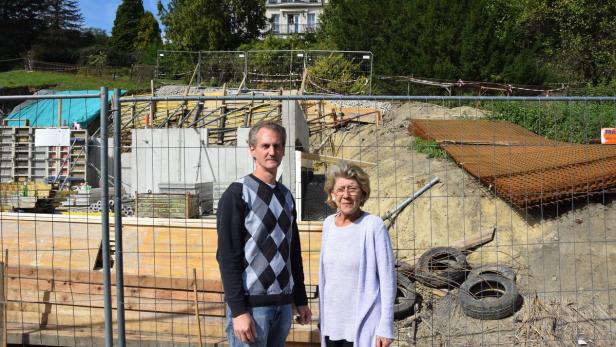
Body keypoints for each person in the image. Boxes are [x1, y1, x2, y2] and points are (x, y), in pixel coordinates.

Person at [216, 120, 312, 347]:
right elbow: (227, 257)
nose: (272, 152)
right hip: (251, 308)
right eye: (265, 146)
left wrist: (300, 298)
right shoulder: (238, 194)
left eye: (277, 146)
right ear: (252, 149)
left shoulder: (287, 197)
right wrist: (239, 311)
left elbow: (293, 252)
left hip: (283, 308)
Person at [319, 162, 396, 347]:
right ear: (332, 194)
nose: (346, 195)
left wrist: (385, 325)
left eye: (352, 189)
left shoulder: (373, 226)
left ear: (362, 193)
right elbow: (326, 278)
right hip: (332, 324)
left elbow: (388, 280)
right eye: (340, 189)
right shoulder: (328, 224)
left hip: (362, 325)